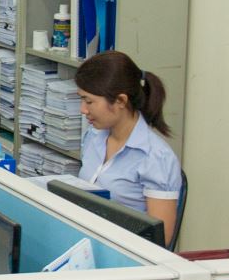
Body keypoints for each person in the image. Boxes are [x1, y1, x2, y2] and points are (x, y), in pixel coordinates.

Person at [75, 51, 183, 245]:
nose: (83, 109)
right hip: (86, 241)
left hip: (122, 253)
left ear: (121, 101)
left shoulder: (156, 157)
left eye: (89, 101)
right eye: (81, 99)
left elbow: (160, 242)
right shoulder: (93, 137)